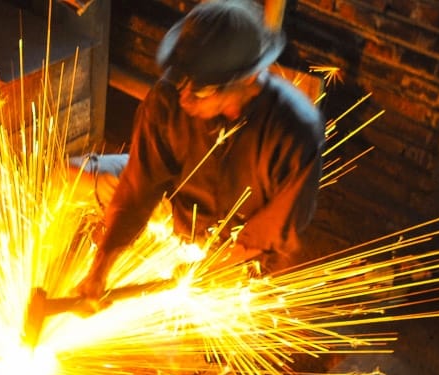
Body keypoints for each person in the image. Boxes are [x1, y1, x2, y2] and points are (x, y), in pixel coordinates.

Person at [72, 0, 325, 302]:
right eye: (182, 81)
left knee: (226, 308)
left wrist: (210, 269)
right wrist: (100, 269)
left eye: (201, 89)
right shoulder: (169, 98)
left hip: (237, 247)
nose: (185, 98)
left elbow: (275, 234)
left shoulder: (295, 130)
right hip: (173, 209)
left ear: (247, 78)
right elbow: (137, 189)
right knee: (71, 176)